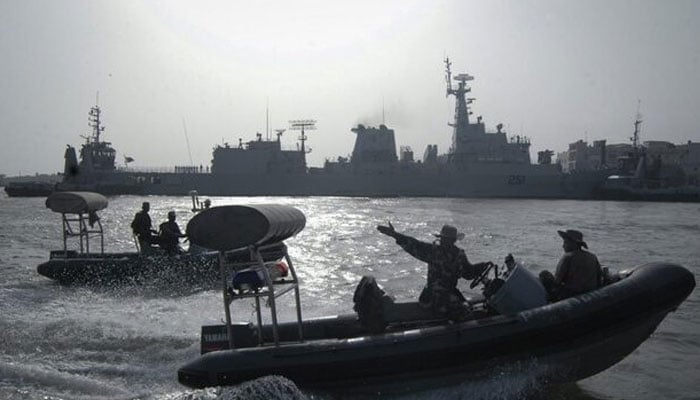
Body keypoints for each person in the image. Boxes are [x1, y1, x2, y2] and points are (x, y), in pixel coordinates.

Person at [377, 222, 492, 321]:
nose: (444, 242)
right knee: (467, 313)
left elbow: (468, 272)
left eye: (446, 239)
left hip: (441, 294)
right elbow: (414, 244)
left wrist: (482, 266)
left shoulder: (449, 253)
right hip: (437, 297)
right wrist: (395, 235)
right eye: (445, 239)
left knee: (467, 307)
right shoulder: (438, 252)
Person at [539, 229, 602, 301]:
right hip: (590, 293)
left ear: (573, 244)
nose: (563, 246)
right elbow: (599, 278)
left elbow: (557, 281)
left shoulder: (568, 257)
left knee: (544, 274)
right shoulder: (592, 256)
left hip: (571, 295)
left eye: (565, 242)